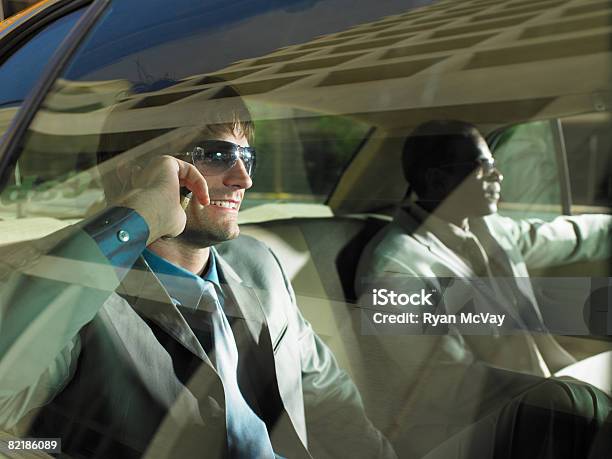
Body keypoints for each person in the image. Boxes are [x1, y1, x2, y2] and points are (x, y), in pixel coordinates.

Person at [0, 91, 395, 459]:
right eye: (217, 155)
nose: (244, 179)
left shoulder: (259, 263)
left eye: (247, 158)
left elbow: (326, 397)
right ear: (134, 173)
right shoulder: (69, 282)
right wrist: (138, 219)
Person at [355, 120, 612, 458]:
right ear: (438, 179)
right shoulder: (394, 269)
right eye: (484, 165)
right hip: (472, 429)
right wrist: (563, 396)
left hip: (544, 398)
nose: (498, 175)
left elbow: (564, 236)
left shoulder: (488, 228)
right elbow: (453, 385)